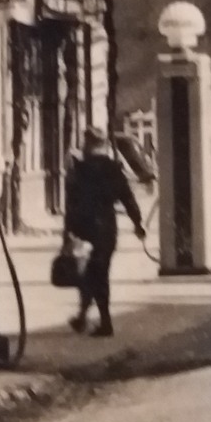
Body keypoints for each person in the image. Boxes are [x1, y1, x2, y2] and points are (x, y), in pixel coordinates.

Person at [63, 127, 145, 338]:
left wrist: (68, 232)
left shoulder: (79, 170)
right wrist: (137, 223)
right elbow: (127, 198)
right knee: (99, 273)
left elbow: (72, 204)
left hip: (84, 228)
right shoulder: (113, 169)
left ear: (89, 145)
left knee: (88, 274)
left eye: (86, 142)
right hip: (107, 228)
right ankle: (89, 318)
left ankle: (100, 321)